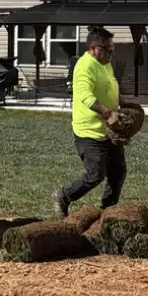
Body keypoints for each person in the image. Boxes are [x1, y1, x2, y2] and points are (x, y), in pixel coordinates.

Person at [52, 27, 141, 217]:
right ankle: (63, 196)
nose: (112, 53)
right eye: (108, 50)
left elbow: (111, 87)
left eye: (113, 49)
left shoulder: (105, 64)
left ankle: (107, 213)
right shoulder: (85, 66)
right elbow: (85, 95)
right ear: (94, 48)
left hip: (109, 131)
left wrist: (124, 103)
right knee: (95, 174)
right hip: (89, 132)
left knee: (118, 171)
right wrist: (108, 114)